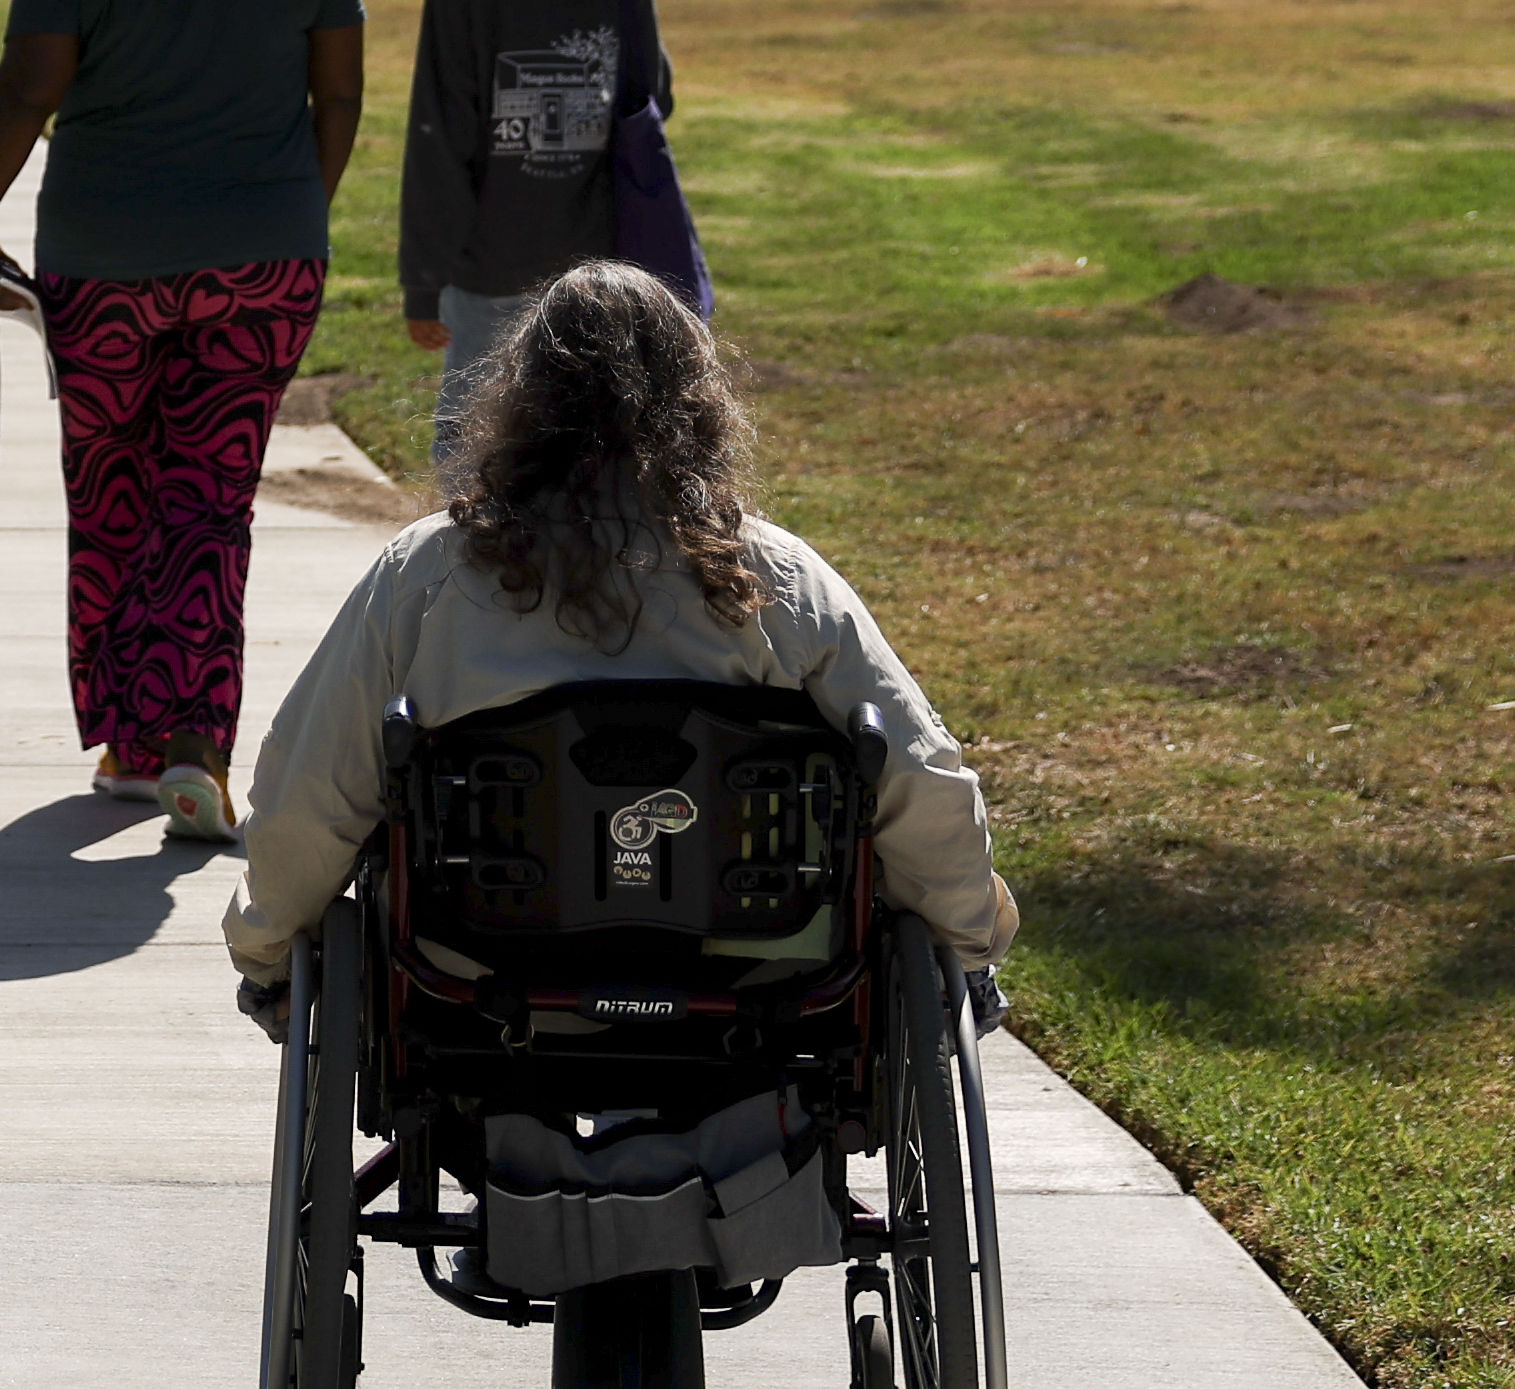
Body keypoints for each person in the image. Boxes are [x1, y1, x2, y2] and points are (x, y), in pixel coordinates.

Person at [225, 258, 1013, 1017]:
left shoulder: (428, 574)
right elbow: (921, 776)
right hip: (747, 967)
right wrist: (965, 943)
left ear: (521, 402)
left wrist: (269, 948)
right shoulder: (777, 577)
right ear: (697, 403)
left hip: (480, 961)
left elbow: (314, 785)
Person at [0, 0, 365, 845]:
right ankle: (197, 747)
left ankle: (133, 743)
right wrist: (294, 212)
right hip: (266, 262)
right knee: (210, 501)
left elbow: (28, 92)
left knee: (116, 490)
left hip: (106, 268)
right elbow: (339, 89)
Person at [394, 0, 673, 485]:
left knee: (477, 456)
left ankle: (479, 592)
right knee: (594, 451)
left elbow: (441, 138)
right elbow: (653, 102)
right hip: (599, 271)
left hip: (488, 269)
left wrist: (423, 283)